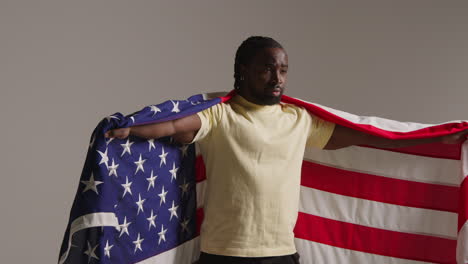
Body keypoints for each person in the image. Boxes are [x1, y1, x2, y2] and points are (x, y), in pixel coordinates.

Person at [105, 36, 467, 264]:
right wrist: (128, 130)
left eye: (283, 70)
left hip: (280, 254)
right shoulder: (221, 115)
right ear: (243, 71)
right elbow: (172, 125)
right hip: (224, 255)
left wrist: (429, 140)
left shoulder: (299, 120)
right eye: (266, 69)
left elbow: (365, 136)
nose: (277, 78)